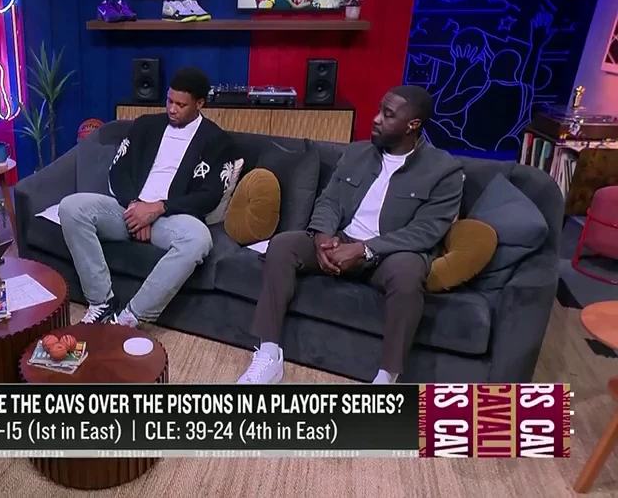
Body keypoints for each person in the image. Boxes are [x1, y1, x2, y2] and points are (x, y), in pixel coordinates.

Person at [237, 85, 463, 385]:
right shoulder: (356, 153)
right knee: (283, 245)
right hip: (340, 240)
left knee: (409, 276)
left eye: (388, 114)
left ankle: (387, 376)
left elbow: (426, 231)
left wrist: (364, 250)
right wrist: (322, 238)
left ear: (413, 125)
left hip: (390, 254)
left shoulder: (444, 171)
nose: (376, 119)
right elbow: (330, 200)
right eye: (379, 110)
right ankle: (268, 353)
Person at [59, 67, 234, 327]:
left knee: (198, 239)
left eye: (181, 105)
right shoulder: (145, 125)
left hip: (170, 218)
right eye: (169, 101)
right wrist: (136, 207)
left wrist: (158, 209)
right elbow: (118, 170)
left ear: (200, 103)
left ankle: (130, 317)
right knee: (71, 207)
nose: (172, 109)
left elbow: (209, 196)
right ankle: (101, 301)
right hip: (128, 210)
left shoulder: (217, 140)